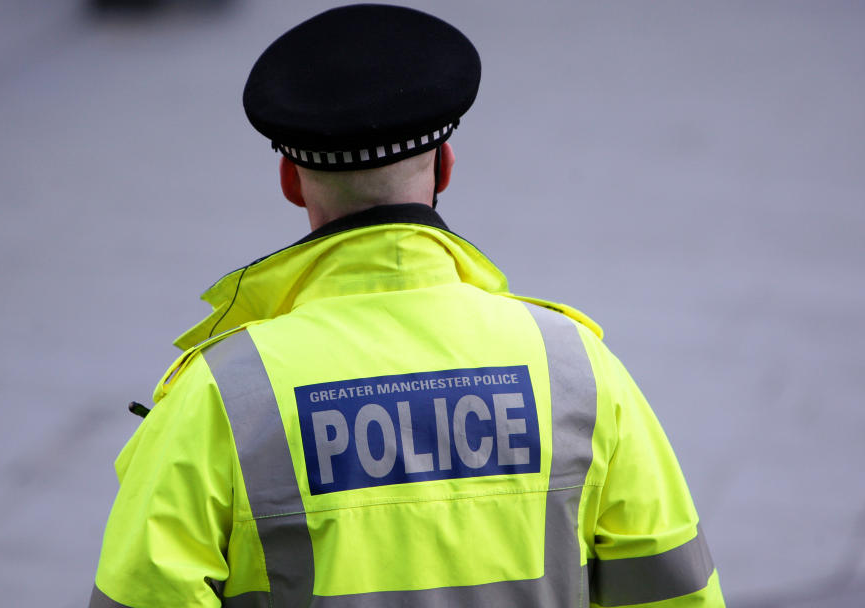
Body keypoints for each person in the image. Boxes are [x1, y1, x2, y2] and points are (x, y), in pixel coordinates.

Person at [90, 4, 725, 607]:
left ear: (289, 180)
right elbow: (675, 589)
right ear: (445, 166)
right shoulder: (576, 372)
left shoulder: (221, 400)